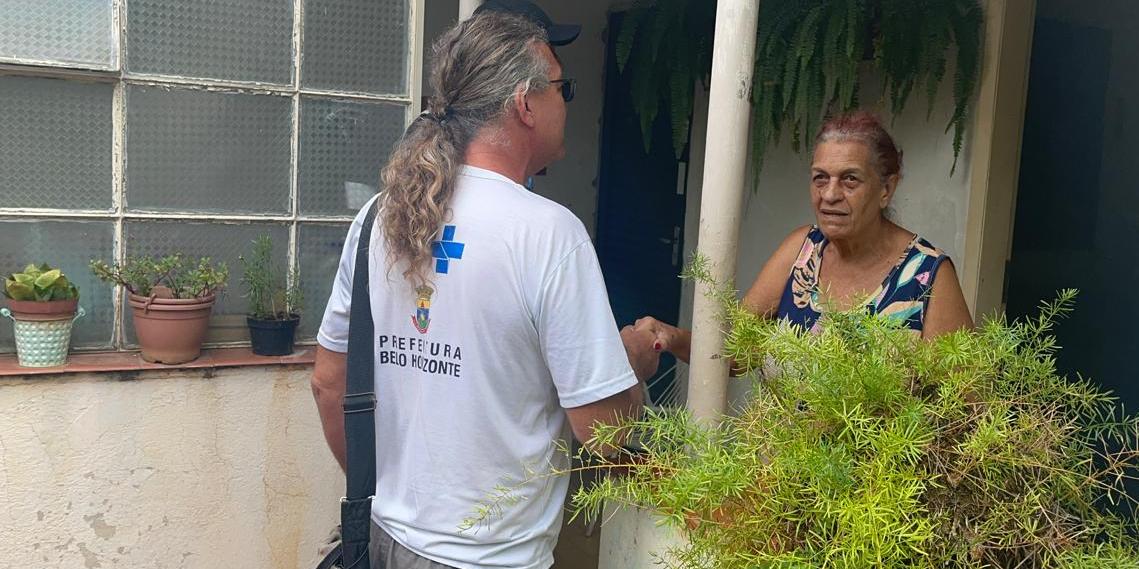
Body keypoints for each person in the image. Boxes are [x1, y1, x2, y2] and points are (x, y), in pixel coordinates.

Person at [310, 6, 659, 569]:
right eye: (560, 88)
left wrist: (397, 505)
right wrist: (633, 366)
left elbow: (328, 383)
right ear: (524, 103)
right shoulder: (548, 233)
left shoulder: (379, 215)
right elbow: (602, 432)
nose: (565, 102)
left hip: (379, 542)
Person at [638, 111, 974, 362]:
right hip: (776, 456)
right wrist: (672, 336)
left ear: (886, 188)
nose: (829, 194)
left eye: (850, 180)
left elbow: (963, 409)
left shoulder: (927, 276)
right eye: (820, 178)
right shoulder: (802, 251)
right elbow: (735, 351)